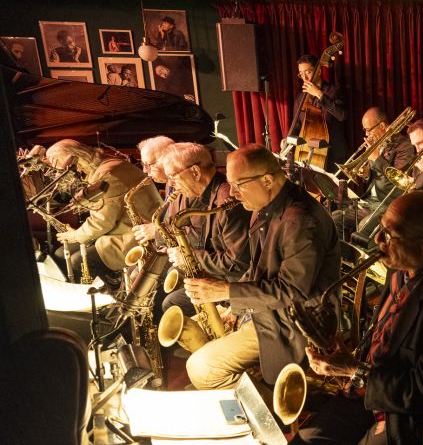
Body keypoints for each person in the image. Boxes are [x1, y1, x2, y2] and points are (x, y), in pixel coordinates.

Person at [293, 191, 423, 445]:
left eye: (388, 235)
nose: (376, 239)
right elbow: (385, 336)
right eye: (381, 227)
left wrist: (353, 369)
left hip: (412, 418)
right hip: (374, 391)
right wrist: (344, 357)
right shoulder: (403, 265)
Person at [183, 144, 340, 389]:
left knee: (201, 369)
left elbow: (292, 292)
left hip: (294, 321)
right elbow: (259, 270)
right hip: (269, 309)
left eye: (238, 185)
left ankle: (266, 410)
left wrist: (227, 292)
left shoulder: (300, 221)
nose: (232, 194)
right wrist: (233, 307)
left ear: (267, 180)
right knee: (191, 326)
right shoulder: (264, 207)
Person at [48, 139, 161, 285]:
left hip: (135, 236)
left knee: (77, 261)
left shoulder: (107, 173)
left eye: (62, 167)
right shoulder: (102, 165)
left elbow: (103, 222)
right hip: (119, 229)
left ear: (75, 159)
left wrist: (75, 235)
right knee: (60, 254)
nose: (63, 173)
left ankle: (110, 295)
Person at [158, 143, 251, 319]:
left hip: (231, 285)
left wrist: (190, 257)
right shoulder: (194, 194)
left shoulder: (227, 203)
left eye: (172, 176)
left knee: (170, 303)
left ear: (195, 172)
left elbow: (239, 263)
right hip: (212, 272)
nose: (169, 183)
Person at [331, 107, 415, 240]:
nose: (366, 134)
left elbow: (399, 181)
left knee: (364, 227)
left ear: (382, 125)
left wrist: (376, 158)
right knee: (334, 218)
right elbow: (374, 176)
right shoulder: (376, 143)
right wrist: (366, 174)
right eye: (364, 130)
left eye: (368, 130)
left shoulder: (405, 146)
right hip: (369, 201)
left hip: (388, 202)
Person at [285, 54, 348, 169]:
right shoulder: (300, 98)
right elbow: (297, 125)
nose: (305, 78)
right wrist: (287, 139)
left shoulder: (334, 91)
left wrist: (319, 94)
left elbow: (342, 115)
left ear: (318, 71)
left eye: (308, 72)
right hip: (308, 154)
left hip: (333, 154)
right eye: (301, 74)